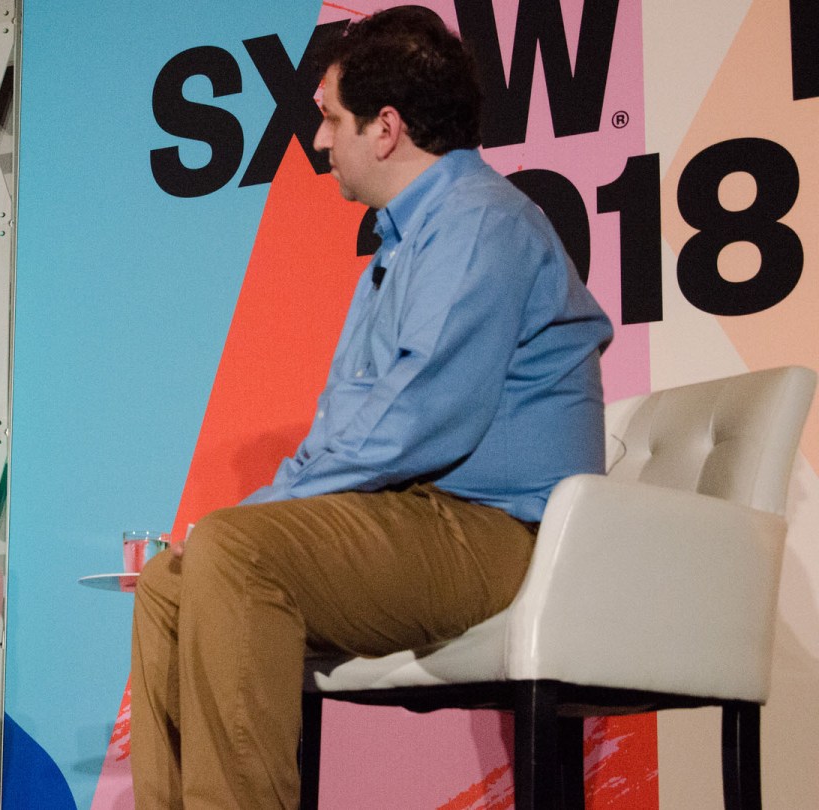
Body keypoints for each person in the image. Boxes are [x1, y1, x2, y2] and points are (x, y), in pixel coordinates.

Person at [128, 7, 614, 809]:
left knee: (235, 550)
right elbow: (347, 421)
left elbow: (420, 417)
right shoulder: (401, 245)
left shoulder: (479, 223)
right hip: (421, 515)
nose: (320, 142)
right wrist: (265, 504)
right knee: (168, 586)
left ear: (385, 129)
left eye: (330, 119)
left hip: (497, 534)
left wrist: (260, 511)